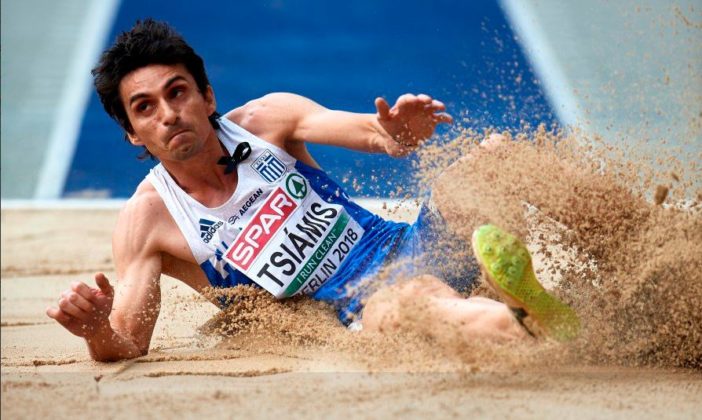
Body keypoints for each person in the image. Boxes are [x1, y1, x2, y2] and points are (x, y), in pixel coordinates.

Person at [46, 19, 578, 362]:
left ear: (206, 97)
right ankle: (534, 326)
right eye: (145, 108)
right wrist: (95, 330)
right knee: (418, 301)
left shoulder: (267, 120)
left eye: (177, 92)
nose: (168, 114)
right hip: (361, 308)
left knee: (494, 157)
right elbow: (128, 341)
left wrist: (399, 133)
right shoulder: (148, 221)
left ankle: (618, 242)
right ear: (132, 133)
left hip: (413, 243)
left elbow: (374, 133)